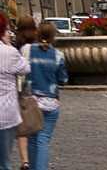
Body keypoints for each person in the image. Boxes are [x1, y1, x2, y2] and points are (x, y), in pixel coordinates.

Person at [21, 22, 67, 170]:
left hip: (31, 102)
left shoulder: (26, 50)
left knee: (32, 138)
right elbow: (63, 80)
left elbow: (20, 74)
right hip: (50, 102)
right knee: (43, 140)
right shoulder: (58, 55)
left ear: (37, 33)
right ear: (53, 36)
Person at [0, 15, 31, 170]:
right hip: (6, 113)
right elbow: (25, 68)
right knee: (4, 161)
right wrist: (9, 46)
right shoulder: (9, 52)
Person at [13, 17, 37, 170]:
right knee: (37, 130)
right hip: (40, 93)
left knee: (22, 127)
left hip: (24, 92)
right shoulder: (39, 46)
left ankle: (25, 160)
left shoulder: (18, 48)